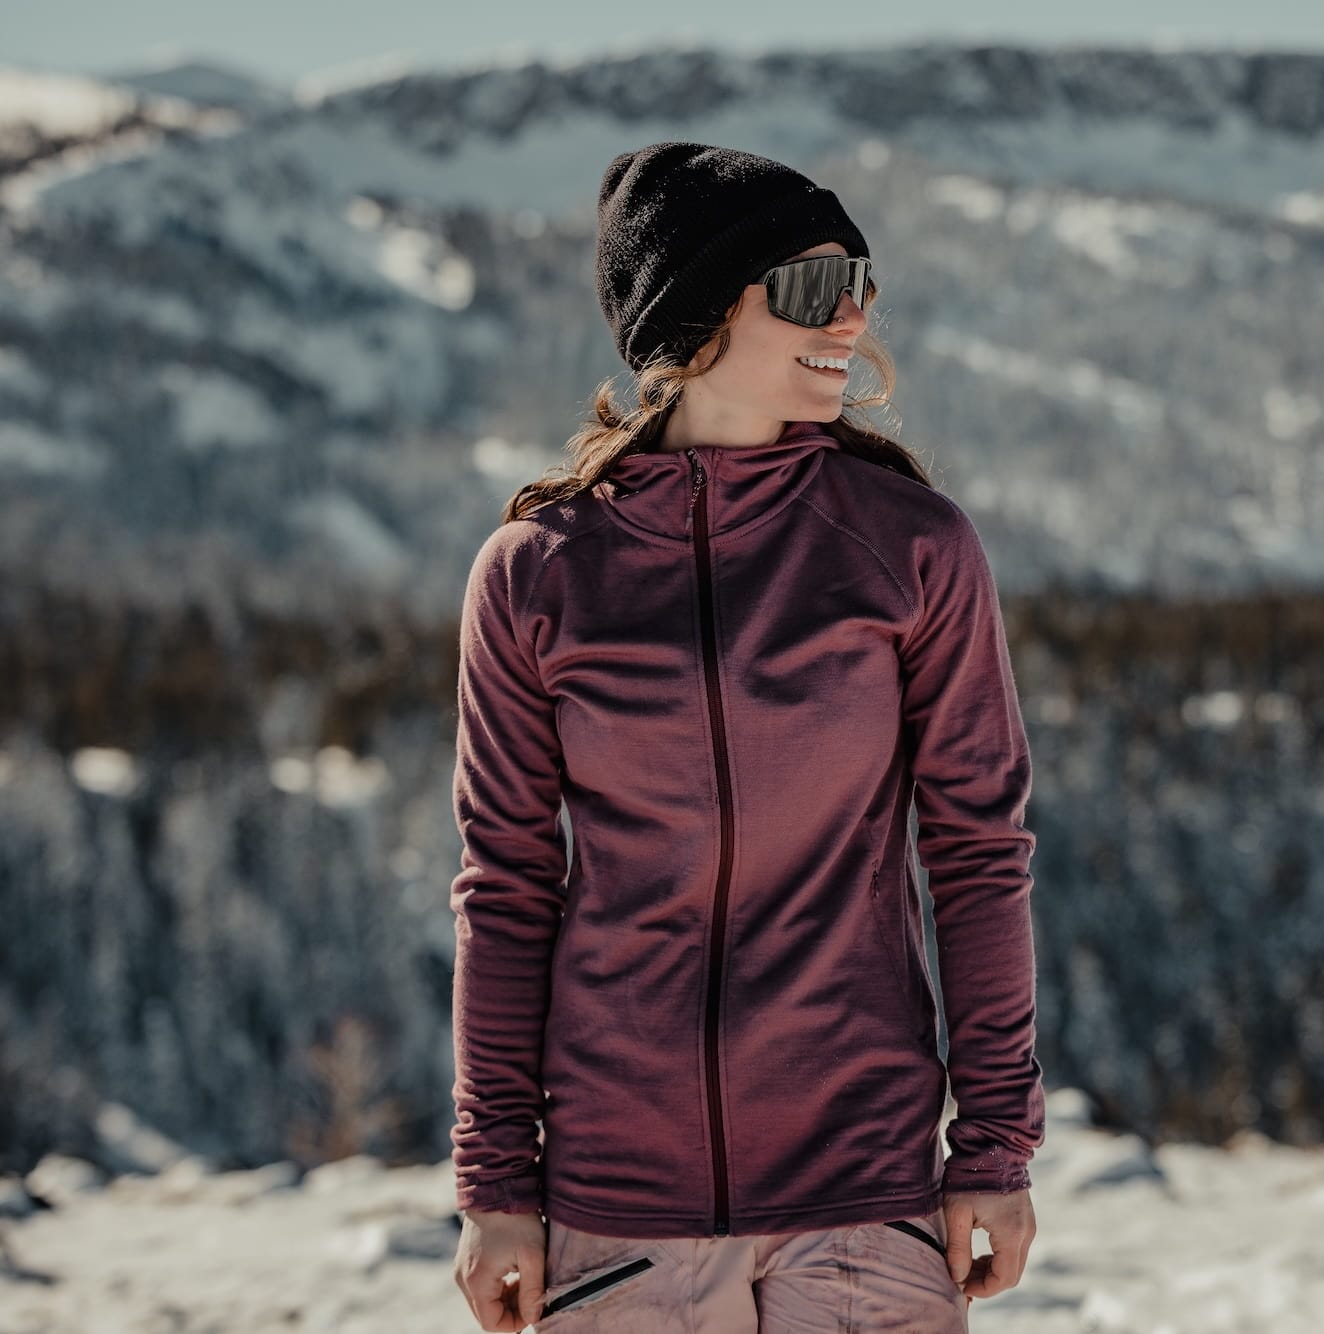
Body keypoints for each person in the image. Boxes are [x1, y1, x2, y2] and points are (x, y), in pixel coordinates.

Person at [446, 142, 1044, 1332]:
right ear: (700, 311)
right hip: (620, 1211)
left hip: (864, 1199)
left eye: (859, 284)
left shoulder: (909, 545)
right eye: (815, 288)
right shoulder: (538, 575)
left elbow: (978, 854)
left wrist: (993, 1145)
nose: (852, 318)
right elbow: (504, 887)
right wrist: (494, 1183)